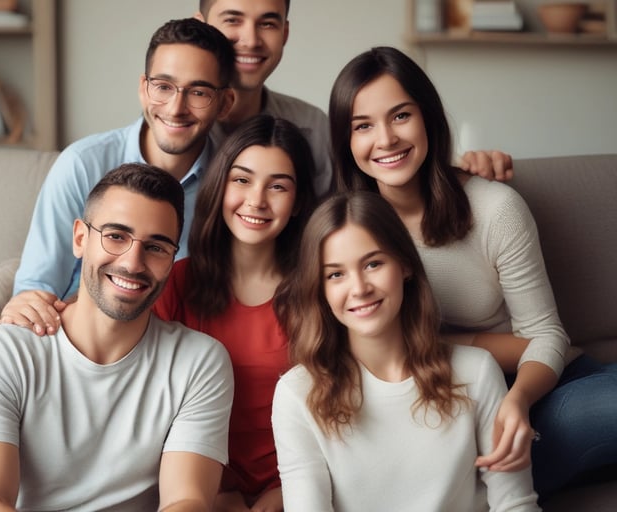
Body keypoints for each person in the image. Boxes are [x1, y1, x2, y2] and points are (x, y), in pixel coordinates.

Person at [0, 16, 237, 422]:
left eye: (198, 92)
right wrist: (34, 317)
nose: (176, 107)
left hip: (154, 345)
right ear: (144, 88)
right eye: (163, 86)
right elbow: (35, 288)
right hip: (70, 333)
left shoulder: (233, 184)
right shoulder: (83, 163)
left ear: (225, 102)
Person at [327, 46, 617, 500]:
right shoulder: (345, 231)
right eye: (362, 125)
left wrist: (517, 401)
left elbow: (546, 336)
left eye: (401, 116)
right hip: (454, 405)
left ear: (428, 118)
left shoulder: (495, 209)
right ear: (345, 141)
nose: (385, 139)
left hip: (543, 387)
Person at [0, 163, 234, 511]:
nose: (133, 263)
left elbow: (187, 500)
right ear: (80, 238)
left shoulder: (200, 362)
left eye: (156, 247)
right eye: (116, 236)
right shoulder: (4, 349)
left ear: (173, 258)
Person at [271, 191, 541, 511]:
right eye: (336, 274)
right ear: (320, 289)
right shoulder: (297, 394)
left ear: (405, 265)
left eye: (373, 264)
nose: (359, 288)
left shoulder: (476, 371)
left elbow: (515, 505)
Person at [153, 114, 317, 511]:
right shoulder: (177, 281)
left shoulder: (318, 288)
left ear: (297, 203)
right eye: (242, 180)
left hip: (297, 484)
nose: (257, 200)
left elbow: (341, 402)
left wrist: (288, 491)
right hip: (196, 486)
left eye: (278, 186)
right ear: (219, 186)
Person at [195, 0, 515, 195]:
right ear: (202, 26)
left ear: (285, 33)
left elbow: (373, 179)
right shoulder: (177, 127)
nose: (251, 40)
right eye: (232, 20)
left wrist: (463, 165)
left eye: (267, 23)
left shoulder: (312, 125)